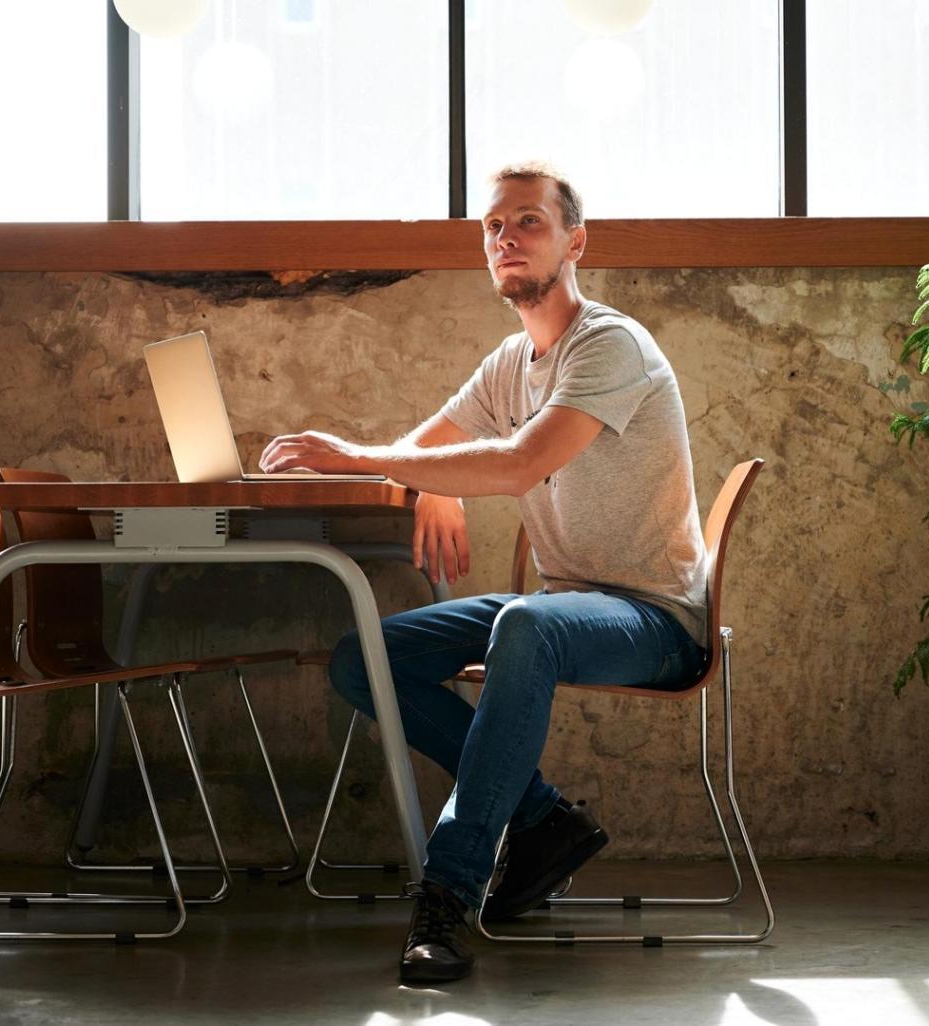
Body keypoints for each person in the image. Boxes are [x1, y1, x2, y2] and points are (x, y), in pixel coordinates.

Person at [259, 161, 708, 983]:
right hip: (567, 607)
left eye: (528, 221)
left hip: (655, 620)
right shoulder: (511, 362)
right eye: (493, 227)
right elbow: (426, 448)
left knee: (524, 624)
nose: (506, 238)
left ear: (576, 240)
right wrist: (426, 484)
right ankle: (542, 821)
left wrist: (382, 463)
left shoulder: (609, 344)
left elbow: (517, 462)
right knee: (365, 657)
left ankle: (447, 894)